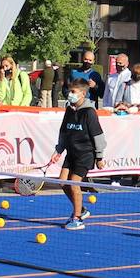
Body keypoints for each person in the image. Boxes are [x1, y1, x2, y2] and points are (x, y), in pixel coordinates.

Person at [46, 78, 106, 231]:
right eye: (69, 91)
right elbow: (64, 132)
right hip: (71, 153)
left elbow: (98, 136)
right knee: (62, 182)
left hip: (85, 154)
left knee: (74, 183)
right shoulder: (69, 110)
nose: (69, 94)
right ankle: (82, 210)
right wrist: (58, 150)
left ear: (83, 94)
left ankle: (77, 218)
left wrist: (99, 157)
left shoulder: (89, 112)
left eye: (73, 92)